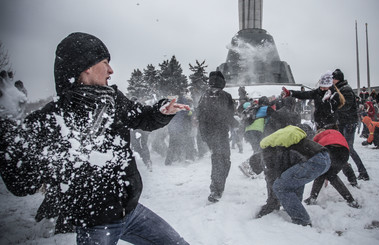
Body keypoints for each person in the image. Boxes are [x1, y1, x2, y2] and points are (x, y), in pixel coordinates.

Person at [0, 32, 190, 245]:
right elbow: (20, 182)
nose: (111, 70)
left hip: (131, 212)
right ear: (87, 66)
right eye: (105, 62)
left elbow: (142, 117)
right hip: (95, 225)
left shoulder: (112, 100)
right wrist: (7, 124)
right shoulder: (53, 118)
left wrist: (161, 111)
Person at [258, 125, 331, 226]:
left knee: (279, 187)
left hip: (312, 162)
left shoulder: (267, 151)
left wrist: (271, 203)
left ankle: (302, 220)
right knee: (293, 179)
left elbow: (272, 177)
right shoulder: (279, 143)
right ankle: (294, 209)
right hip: (324, 157)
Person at [197, 71, 236, 203]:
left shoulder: (204, 96)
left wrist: (203, 134)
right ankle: (216, 189)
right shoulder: (224, 96)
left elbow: (200, 115)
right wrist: (235, 123)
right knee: (220, 160)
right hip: (217, 134)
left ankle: (218, 185)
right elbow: (230, 114)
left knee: (223, 160)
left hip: (215, 133)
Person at [304, 129, 360, 208]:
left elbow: (314, 151)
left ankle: (313, 197)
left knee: (322, 173)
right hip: (345, 152)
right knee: (331, 175)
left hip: (330, 149)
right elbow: (345, 165)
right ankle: (351, 199)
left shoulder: (319, 137)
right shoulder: (336, 133)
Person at [332, 69, 370, 181]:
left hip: (349, 122)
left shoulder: (346, 89)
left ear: (337, 79)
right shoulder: (340, 89)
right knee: (341, 148)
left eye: (333, 78)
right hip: (343, 122)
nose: (332, 80)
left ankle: (363, 172)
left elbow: (346, 106)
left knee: (348, 148)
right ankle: (347, 170)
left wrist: (334, 106)